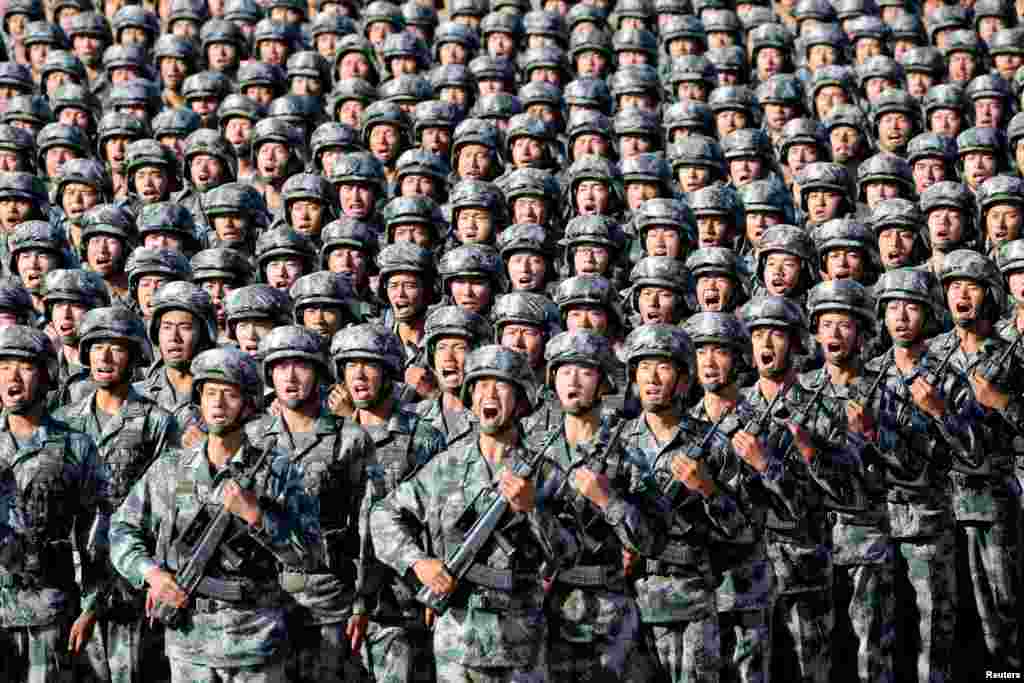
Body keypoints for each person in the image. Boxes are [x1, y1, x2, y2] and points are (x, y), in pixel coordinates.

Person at [109, 346, 320, 682]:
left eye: (230, 394)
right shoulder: (170, 469)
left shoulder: (277, 472)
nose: (218, 404)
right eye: (209, 393)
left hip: (256, 642)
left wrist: (258, 517)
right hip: (188, 642)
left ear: (249, 404)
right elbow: (121, 530)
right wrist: (151, 574)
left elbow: (309, 553)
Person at [371, 344, 577, 681]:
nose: (488, 395)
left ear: (521, 400)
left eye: (500, 386)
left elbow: (570, 554)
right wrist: (419, 563)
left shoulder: (546, 474)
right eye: (480, 385)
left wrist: (533, 510)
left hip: (521, 644)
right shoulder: (445, 466)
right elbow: (382, 515)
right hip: (458, 641)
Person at [529, 329, 668, 682]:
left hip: (607, 613)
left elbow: (653, 541)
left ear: (604, 382)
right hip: (541, 610)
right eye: (563, 371)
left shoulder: (626, 455)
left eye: (585, 372)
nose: (572, 381)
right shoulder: (530, 452)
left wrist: (610, 501)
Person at [56, 306, 179, 683]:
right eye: (95, 347)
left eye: (116, 348)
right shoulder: (64, 421)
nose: (105, 358)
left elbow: (172, 505)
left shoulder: (156, 422)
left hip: (133, 576)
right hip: (75, 575)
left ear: (135, 355)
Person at [250, 325, 376, 682]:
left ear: (319, 373)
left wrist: (362, 599)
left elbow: (367, 522)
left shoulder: (350, 438)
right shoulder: (252, 436)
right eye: (280, 366)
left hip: (328, 595)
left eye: (301, 366)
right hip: (261, 601)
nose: (289, 376)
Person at [332, 323, 446, 682]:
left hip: (399, 605)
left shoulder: (422, 438)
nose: (360, 375)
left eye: (370, 365)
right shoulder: (329, 438)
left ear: (390, 372)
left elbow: (441, 519)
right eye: (351, 366)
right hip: (336, 603)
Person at [0, 325, 105, 683]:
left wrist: (91, 606)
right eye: (3, 366)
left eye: (25, 366)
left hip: (51, 611)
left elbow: (96, 530)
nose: (12, 377)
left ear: (46, 375)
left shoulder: (76, 447)